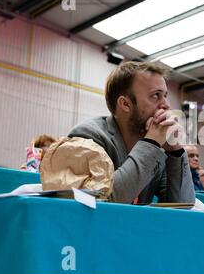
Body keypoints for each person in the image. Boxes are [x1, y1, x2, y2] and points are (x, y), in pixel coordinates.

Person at [68, 61, 195, 204]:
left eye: (165, 95)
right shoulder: (87, 137)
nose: (166, 105)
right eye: (155, 95)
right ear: (125, 104)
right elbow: (102, 201)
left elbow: (183, 205)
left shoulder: (158, 149)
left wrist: (176, 152)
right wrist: (151, 143)